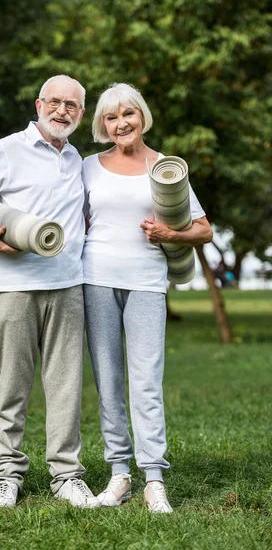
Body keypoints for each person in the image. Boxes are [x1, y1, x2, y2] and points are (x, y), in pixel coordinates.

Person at [0, 75, 101, 509]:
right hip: (15, 284)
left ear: (81, 114)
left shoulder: (75, 158)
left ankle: (67, 475)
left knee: (66, 385)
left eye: (72, 105)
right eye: (55, 102)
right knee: (14, 384)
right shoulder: (8, 149)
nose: (62, 111)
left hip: (68, 285)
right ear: (38, 104)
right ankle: (7, 475)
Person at [82, 83, 212, 512]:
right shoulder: (87, 167)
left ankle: (153, 477)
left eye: (128, 114)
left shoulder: (165, 168)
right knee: (108, 381)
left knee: (146, 380)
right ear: (103, 124)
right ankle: (120, 474)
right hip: (96, 279)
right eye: (111, 117)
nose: (121, 123)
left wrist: (170, 234)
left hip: (147, 284)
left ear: (142, 117)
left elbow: (204, 229)